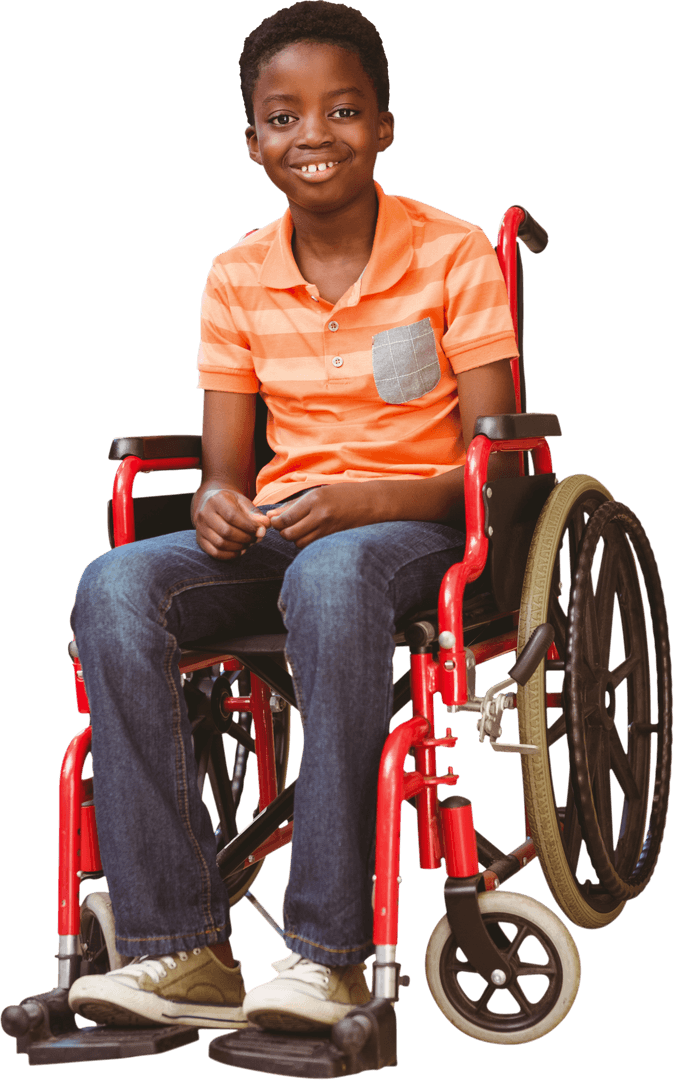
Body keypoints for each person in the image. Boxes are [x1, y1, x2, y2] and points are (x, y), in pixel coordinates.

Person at [67, 0, 518, 1034]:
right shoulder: (235, 274)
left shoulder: (450, 257)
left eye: (342, 110)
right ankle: (178, 947)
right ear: (253, 140)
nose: (313, 136)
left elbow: (489, 464)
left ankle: (329, 957)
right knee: (117, 582)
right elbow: (227, 469)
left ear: (385, 126)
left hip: (420, 529)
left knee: (333, 572)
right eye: (283, 117)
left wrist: (368, 498)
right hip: (293, 525)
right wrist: (223, 504)